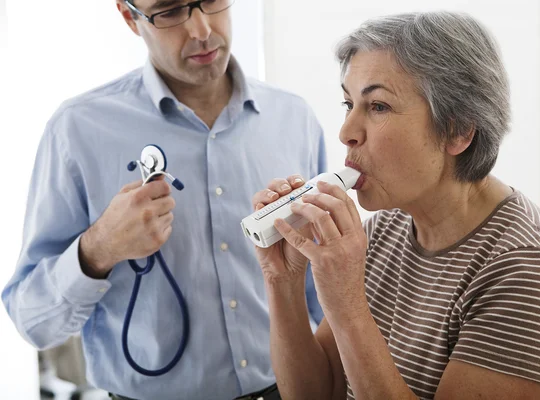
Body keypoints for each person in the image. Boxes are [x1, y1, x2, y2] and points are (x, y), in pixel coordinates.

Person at [251, 11, 540, 400]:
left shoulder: (531, 270)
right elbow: (318, 393)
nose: (346, 132)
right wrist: (284, 282)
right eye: (349, 104)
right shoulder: (384, 230)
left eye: (378, 106)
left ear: (459, 129)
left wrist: (346, 303)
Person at [2, 0, 326, 399]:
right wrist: (98, 249)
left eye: (210, 1)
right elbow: (33, 322)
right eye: (170, 11)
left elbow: (322, 288)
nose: (202, 30)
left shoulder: (294, 118)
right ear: (129, 17)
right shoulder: (77, 131)